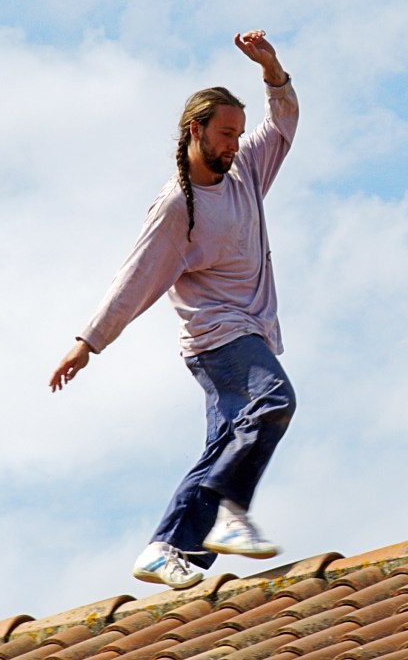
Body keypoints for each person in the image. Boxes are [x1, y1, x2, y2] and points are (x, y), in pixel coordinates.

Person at [49, 29, 298, 590]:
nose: (235, 145)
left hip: (250, 329)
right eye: (225, 135)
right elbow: (134, 278)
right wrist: (88, 342)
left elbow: (282, 122)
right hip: (220, 340)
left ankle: (168, 549)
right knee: (275, 400)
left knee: (223, 446)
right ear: (196, 131)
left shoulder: (247, 173)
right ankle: (232, 512)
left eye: (238, 134)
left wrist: (272, 68)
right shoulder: (177, 208)